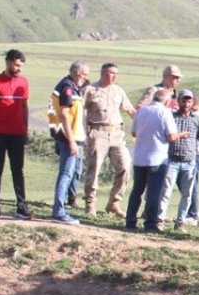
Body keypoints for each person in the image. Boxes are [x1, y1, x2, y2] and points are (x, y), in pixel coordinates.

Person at [0, 49, 32, 220]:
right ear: (9, 62)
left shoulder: (23, 82)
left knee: (18, 170)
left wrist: (25, 131)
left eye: (21, 66)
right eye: (17, 65)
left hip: (17, 134)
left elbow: (24, 107)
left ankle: (21, 206)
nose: (19, 69)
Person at [126, 85, 183, 232]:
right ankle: (150, 223)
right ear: (166, 101)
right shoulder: (165, 113)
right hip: (157, 158)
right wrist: (181, 134)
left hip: (139, 157)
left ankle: (130, 220)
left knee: (137, 190)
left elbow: (133, 133)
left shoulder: (142, 111)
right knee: (154, 192)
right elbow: (171, 136)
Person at [82, 62, 135, 216]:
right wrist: (83, 131)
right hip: (98, 133)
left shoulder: (118, 91)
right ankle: (90, 204)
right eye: (111, 73)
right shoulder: (90, 90)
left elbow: (130, 110)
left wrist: (142, 122)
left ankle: (114, 203)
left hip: (117, 134)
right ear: (103, 73)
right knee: (94, 170)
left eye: (116, 73)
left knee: (125, 167)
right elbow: (78, 111)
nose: (114, 76)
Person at [159, 89, 199, 229]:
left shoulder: (197, 120)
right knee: (166, 192)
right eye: (184, 100)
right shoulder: (171, 117)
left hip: (189, 162)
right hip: (172, 160)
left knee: (187, 195)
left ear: (192, 103)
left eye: (189, 101)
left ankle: (180, 222)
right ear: (178, 101)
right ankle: (159, 221)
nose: (186, 103)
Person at [50, 60, 90, 224]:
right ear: (78, 73)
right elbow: (64, 115)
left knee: (71, 172)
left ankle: (61, 209)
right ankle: (59, 211)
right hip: (69, 138)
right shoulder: (67, 87)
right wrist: (72, 141)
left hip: (74, 137)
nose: (87, 77)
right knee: (66, 174)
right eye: (85, 74)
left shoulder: (74, 87)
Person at [181, 92, 199, 225]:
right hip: (196, 153)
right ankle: (190, 211)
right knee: (188, 184)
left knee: (192, 185)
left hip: (196, 154)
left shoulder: (197, 116)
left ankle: (193, 214)